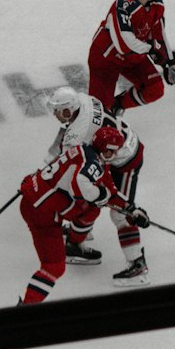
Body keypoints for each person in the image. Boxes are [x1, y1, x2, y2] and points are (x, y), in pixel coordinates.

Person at [18, 123, 147, 304]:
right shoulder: (92, 162)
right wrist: (101, 195)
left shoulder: (86, 151)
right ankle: (26, 308)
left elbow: (108, 187)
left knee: (92, 208)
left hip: (35, 201)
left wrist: (130, 209)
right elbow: (81, 184)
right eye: (112, 152)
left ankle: (74, 245)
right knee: (54, 267)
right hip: (41, 212)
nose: (115, 155)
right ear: (104, 150)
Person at [44, 87, 151, 286]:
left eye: (57, 110)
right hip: (110, 150)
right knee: (90, 197)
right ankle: (76, 240)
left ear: (68, 110)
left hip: (126, 159)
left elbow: (70, 159)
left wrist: (47, 170)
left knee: (120, 213)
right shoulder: (83, 100)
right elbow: (71, 132)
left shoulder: (78, 135)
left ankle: (138, 266)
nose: (54, 114)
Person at [88, 0, 175, 113]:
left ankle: (116, 107)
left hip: (133, 57)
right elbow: (124, 44)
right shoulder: (124, 7)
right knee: (98, 111)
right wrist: (151, 49)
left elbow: (159, 34)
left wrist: (168, 60)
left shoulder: (157, 5)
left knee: (155, 89)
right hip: (106, 58)